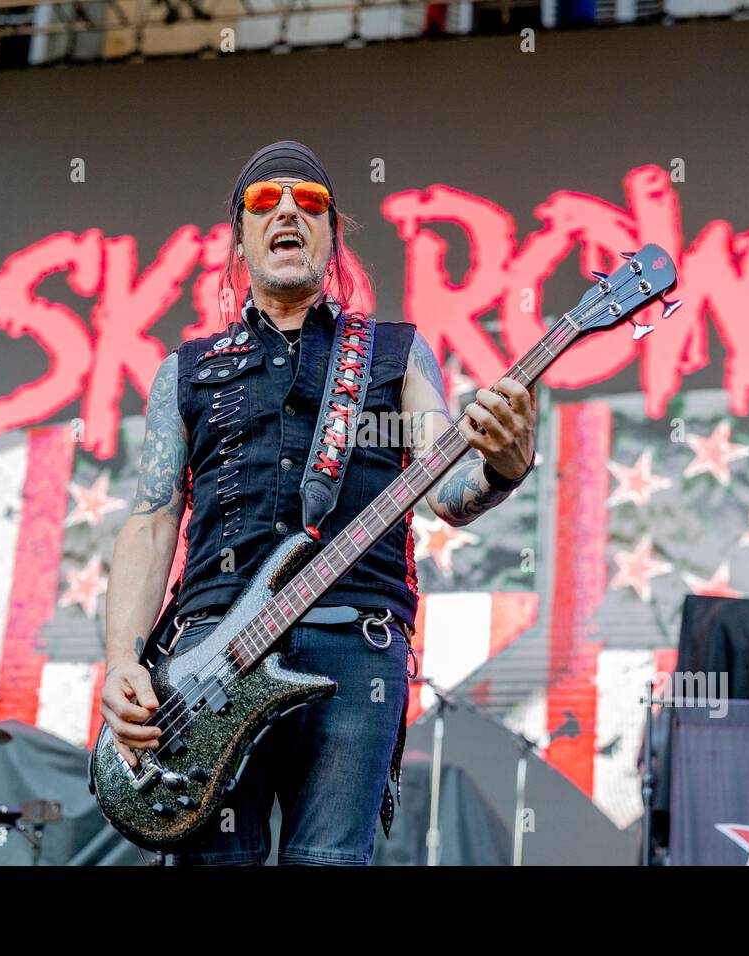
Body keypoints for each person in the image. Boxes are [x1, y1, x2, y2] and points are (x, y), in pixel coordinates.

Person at [100, 140, 537, 865]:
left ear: (332, 235)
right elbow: (149, 524)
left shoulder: (395, 352)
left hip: (353, 651)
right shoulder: (186, 371)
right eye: (263, 201)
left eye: (310, 201)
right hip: (207, 665)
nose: (288, 212)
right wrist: (121, 660)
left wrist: (506, 466)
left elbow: (449, 494)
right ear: (238, 235)